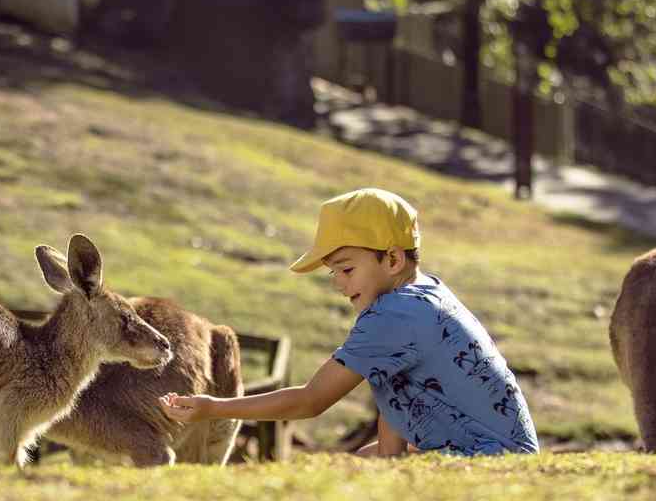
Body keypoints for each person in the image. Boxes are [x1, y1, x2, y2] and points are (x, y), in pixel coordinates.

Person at [159, 188, 538, 456]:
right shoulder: (426, 294)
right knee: (357, 466)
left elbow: (309, 401)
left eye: (347, 269)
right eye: (333, 273)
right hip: (501, 451)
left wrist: (213, 407)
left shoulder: (392, 315)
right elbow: (395, 393)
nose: (340, 285)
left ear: (391, 260)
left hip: (487, 460)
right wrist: (383, 459)